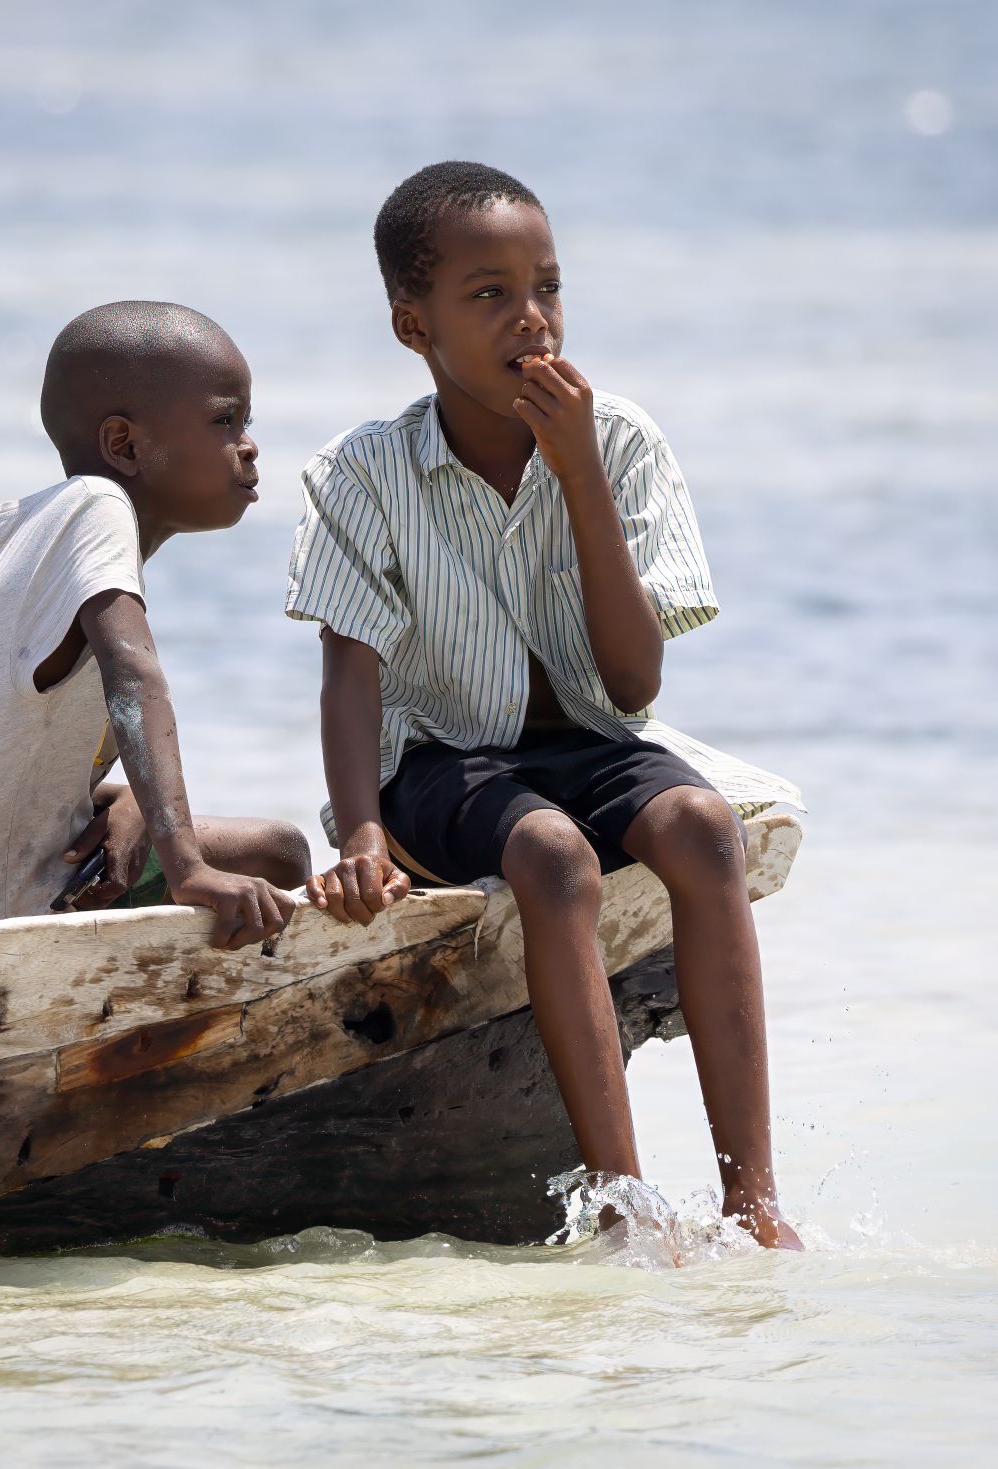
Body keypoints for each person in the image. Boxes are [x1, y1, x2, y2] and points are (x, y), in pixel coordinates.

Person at [286, 163, 804, 1248]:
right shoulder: (363, 473)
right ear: (410, 323)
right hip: (438, 762)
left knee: (706, 828)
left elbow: (634, 687)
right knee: (555, 859)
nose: (533, 318)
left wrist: (580, 479)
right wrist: (364, 830)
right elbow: (351, 674)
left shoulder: (618, 443)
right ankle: (622, 1201)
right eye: (490, 294)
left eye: (549, 288)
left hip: (593, 738)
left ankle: (752, 1199)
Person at [0, 300, 309, 947]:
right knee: (276, 853)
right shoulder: (98, 507)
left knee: (186, 830)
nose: (249, 445)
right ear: (124, 445)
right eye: (224, 420)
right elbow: (134, 678)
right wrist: (187, 864)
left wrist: (130, 800)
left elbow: (0, 752)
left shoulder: (10, 551)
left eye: (245, 420)